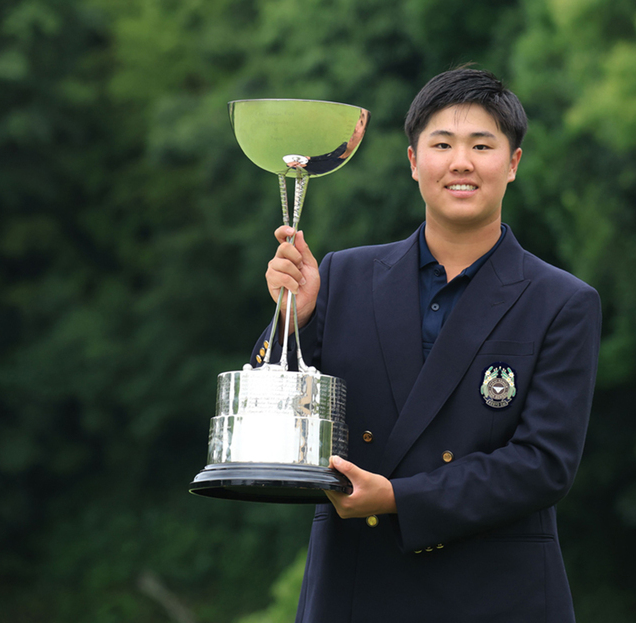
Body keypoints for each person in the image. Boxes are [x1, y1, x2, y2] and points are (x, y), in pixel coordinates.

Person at [252, 67, 601, 623]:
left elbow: (543, 465)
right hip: (357, 582)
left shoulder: (562, 301)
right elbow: (276, 430)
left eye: (482, 145)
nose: (461, 162)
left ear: (512, 164)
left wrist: (398, 498)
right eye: (442, 144)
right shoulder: (342, 275)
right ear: (414, 162)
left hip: (495, 593)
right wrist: (294, 314)